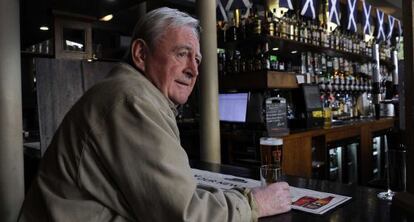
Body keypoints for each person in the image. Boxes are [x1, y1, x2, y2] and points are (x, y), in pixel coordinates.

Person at [19, 7, 291, 221]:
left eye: (196, 60)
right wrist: (254, 203)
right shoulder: (131, 100)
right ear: (140, 54)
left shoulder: (134, 93)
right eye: (182, 54)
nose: (193, 70)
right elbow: (185, 215)